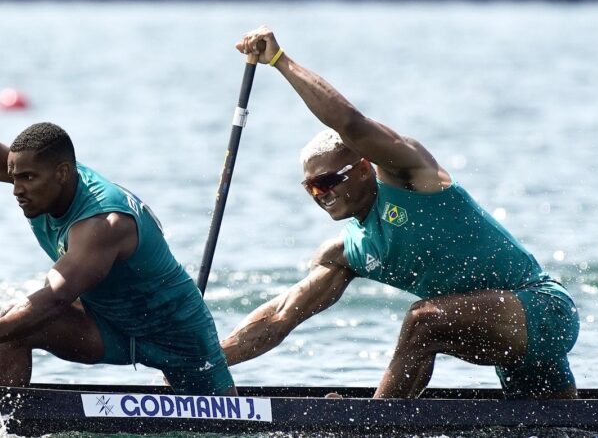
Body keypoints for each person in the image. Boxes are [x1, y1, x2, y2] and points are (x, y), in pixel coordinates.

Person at [220, 26, 579, 399]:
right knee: (562, 424)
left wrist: (279, 61)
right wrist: (203, 363)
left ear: (363, 167)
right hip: (498, 333)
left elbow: (350, 123)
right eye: (310, 186)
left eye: (328, 181)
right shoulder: (347, 253)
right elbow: (279, 318)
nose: (320, 194)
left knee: (422, 321)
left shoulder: (411, 176)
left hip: (542, 309)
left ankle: (377, 425)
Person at [0, 28, 236, 396]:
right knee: (15, 327)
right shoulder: (44, 182)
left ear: (63, 173)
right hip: (109, 326)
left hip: (179, 336)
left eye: (28, 179)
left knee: (229, 424)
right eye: (14, 178)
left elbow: (55, 297)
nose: (17, 189)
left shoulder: (104, 223)